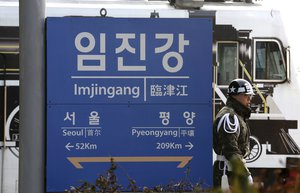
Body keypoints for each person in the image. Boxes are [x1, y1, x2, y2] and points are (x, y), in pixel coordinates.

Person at [213, 78, 254, 191]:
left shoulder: (235, 114)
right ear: (236, 95)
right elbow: (231, 150)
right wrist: (245, 174)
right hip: (228, 172)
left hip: (230, 170)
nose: (249, 99)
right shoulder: (229, 117)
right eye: (247, 96)